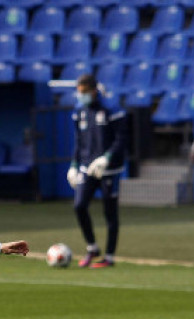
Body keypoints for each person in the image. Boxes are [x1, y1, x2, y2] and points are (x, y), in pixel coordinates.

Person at [66, 73, 127, 268]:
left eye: (84, 92)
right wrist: (74, 165)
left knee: (110, 213)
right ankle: (92, 247)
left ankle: (109, 257)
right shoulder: (79, 111)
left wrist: (106, 158)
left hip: (108, 169)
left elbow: (121, 139)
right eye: (79, 92)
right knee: (79, 206)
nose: (81, 96)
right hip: (86, 167)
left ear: (94, 90)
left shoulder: (111, 108)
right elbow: (78, 141)